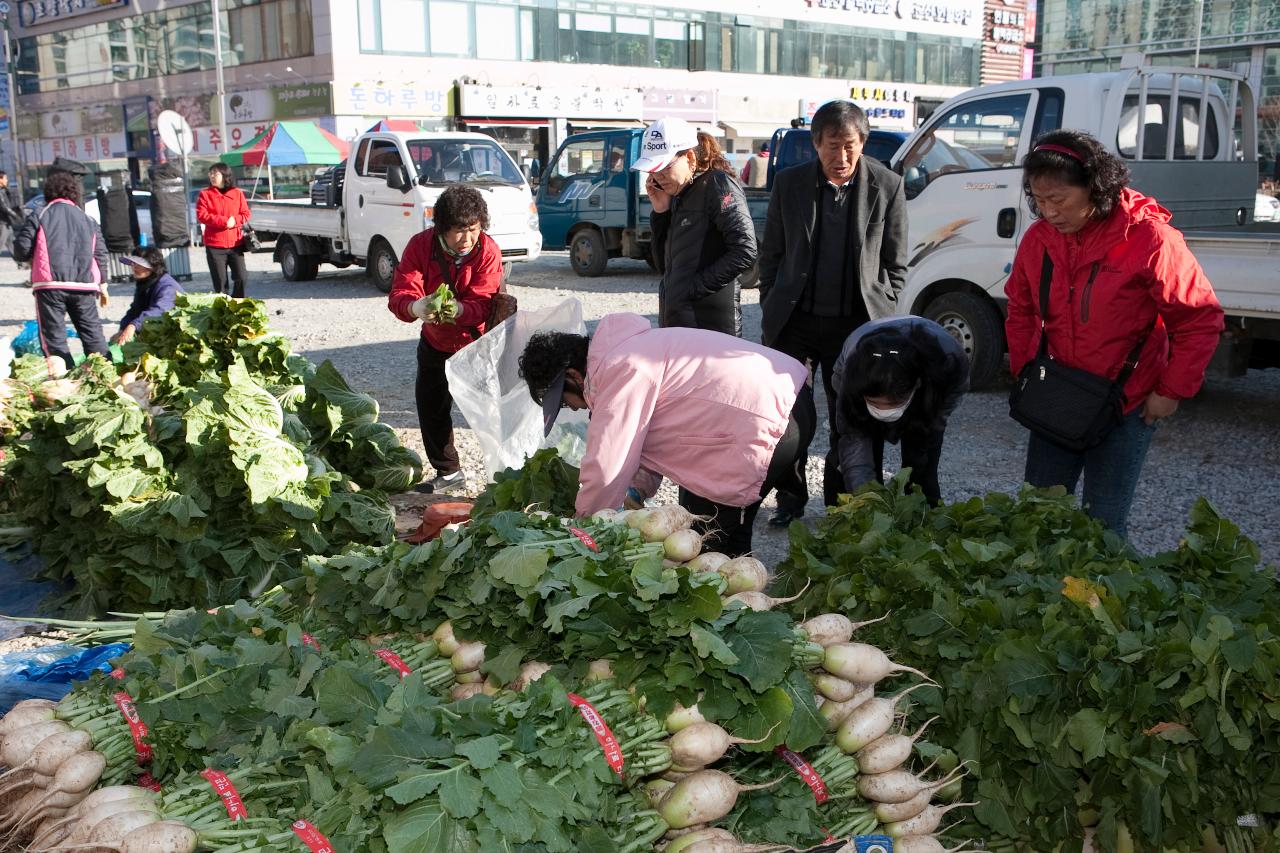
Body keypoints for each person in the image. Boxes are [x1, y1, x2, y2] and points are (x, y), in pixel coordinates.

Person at [1005, 130, 1225, 538]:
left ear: (1094, 187)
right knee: (1037, 516)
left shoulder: (1150, 239)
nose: (1048, 212)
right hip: (1057, 396)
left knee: (1103, 526)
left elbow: (1199, 319)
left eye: (1058, 200)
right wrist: (1025, 371)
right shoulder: (1039, 239)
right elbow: (1020, 309)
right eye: (1038, 200)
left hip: (1126, 403)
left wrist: (1170, 391)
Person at [520, 313, 815, 557]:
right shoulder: (626, 350)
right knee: (729, 536)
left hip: (768, 422)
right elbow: (650, 439)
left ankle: (726, 620)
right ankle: (746, 613)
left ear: (573, 376)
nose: (572, 408)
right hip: (786, 400)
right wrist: (637, 490)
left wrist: (585, 531)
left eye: (563, 402)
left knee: (705, 546)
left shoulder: (622, 368)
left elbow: (607, 466)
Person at [758, 99, 909, 526]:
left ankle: (844, 505)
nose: (840, 157)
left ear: (862, 143)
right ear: (815, 144)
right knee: (787, 418)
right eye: (831, 146)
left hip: (856, 327)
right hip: (795, 324)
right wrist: (772, 300)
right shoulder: (790, 184)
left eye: (849, 146)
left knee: (853, 418)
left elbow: (897, 263)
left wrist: (885, 308)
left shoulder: (887, 185)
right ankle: (789, 500)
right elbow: (772, 256)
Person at [388, 184, 502, 494]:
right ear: (441, 228)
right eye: (458, 231)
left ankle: (506, 472)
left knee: (492, 412)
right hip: (436, 343)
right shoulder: (420, 246)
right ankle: (449, 473)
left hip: (477, 344)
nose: (466, 239)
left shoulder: (487, 251)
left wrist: (459, 309)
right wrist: (416, 306)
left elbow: (484, 302)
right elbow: (400, 293)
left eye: (473, 230)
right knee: (431, 408)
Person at [637, 117, 756, 337]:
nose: (658, 177)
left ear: (690, 157)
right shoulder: (677, 194)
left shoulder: (717, 184)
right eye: (652, 171)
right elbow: (663, 268)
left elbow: (745, 250)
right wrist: (661, 212)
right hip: (678, 325)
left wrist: (693, 289)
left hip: (711, 328)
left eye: (664, 169)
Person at [831, 316, 969, 506]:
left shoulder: (948, 364)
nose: (882, 411)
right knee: (852, 457)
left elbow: (938, 416)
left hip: (930, 381)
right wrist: (864, 501)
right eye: (874, 403)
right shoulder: (853, 372)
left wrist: (926, 426)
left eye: (890, 404)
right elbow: (854, 442)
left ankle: (923, 514)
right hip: (856, 363)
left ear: (916, 386)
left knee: (922, 458)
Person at [13, 170, 110, 373]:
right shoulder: (87, 219)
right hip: (84, 285)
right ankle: (104, 373)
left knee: (54, 336)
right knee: (92, 333)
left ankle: (64, 378)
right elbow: (100, 253)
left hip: (50, 285)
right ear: (75, 194)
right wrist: (103, 284)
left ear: (48, 192)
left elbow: (21, 250)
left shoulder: (40, 214)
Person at [196, 163, 250, 297]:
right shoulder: (205, 194)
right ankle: (224, 310)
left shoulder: (237, 193)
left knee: (242, 277)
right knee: (220, 283)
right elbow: (202, 215)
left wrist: (235, 221)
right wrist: (224, 222)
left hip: (235, 244)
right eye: (211, 173)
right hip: (215, 245)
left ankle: (237, 304)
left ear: (225, 175)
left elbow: (245, 213)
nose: (212, 176)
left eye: (216, 173)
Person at [111, 247, 184, 346]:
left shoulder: (167, 286)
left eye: (138, 264)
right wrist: (123, 328)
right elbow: (135, 310)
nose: (134, 267)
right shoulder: (144, 283)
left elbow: (159, 311)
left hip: (173, 336)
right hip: (154, 331)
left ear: (153, 266)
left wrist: (133, 326)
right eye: (133, 263)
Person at [0, 171, 24, 260]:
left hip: (6, 222)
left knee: (11, 243)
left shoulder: (3, 190)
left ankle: (21, 262)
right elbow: (4, 207)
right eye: (5, 178)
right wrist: (15, 215)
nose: (7, 180)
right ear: (0, 179)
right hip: (2, 223)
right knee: (1, 243)